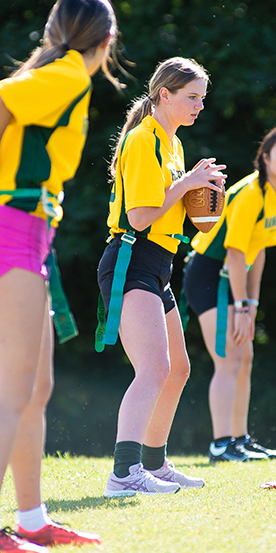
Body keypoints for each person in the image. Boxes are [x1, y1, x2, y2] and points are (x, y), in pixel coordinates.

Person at [0, 0, 121, 553]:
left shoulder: (64, 74)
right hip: (9, 234)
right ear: (107, 41)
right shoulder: (74, 74)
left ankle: (32, 520)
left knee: (37, 387)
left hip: (27, 236)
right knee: (13, 390)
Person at [96, 57, 226, 496]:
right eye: (192, 97)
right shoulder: (142, 139)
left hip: (159, 263)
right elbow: (138, 217)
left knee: (178, 369)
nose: (199, 106)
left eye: (202, 98)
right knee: (153, 368)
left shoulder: (173, 143)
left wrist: (201, 203)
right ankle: (123, 474)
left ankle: (154, 463)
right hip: (131, 259)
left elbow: (171, 212)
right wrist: (187, 183)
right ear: (164, 95)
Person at [182, 125, 276, 463]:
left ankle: (240, 439)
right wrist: (241, 307)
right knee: (228, 359)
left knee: (245, 358)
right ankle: (221, 445)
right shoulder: (251, 193)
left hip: (233, 280)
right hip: (208, 274)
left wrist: (251, 305)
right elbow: (235, 253)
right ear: (265, 158)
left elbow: (258, 254)